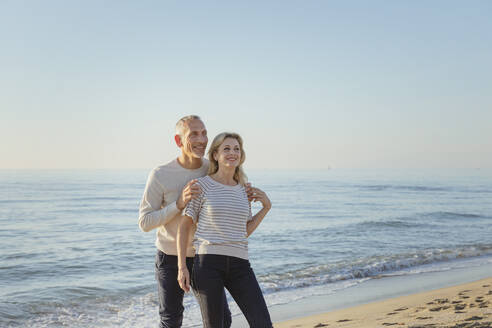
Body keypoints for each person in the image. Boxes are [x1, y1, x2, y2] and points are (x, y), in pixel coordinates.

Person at [138, 115, 232, 328]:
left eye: (204, 133)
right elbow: (144, 222)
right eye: (194, 134)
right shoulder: (161, 174)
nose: (202, 139)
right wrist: (178, 204)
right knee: (171, 321)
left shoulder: (213, 169)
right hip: (170, 258)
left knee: (222, 320)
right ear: (179, 141)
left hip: (205, 258)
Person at [177, 132, 273, 328]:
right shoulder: (201, 186)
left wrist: (266, 208)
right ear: (215, 155)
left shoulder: (243, 190)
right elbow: (184, 226)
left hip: (240, 264)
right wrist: (182, 267)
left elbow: (242, 232)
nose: (232, 153)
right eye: (226, 149)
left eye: (236, 149)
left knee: (262, 323)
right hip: (208, 264)